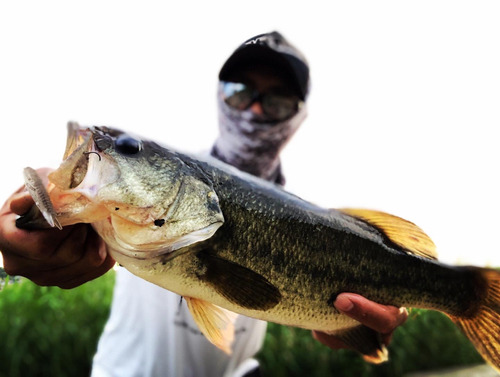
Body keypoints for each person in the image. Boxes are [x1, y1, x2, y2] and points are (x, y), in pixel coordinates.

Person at [0, 32, 407, 376]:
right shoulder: (146, 198)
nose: (254, 110)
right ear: (218, 95)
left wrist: (352, 326)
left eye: (278, 101)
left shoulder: (318, 224)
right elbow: (45, 208)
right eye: (239, 91)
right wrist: (25, 223)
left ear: (298, 116)